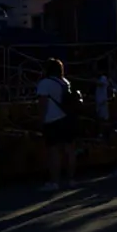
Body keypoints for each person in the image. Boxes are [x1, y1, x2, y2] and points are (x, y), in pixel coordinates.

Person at [36, 58, 78, 191]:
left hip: (52, 120)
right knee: (69, 150)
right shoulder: (65, 82)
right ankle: (71, 179)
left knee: (53, 151)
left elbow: (43, 104)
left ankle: (54, 181)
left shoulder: (45, 83)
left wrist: (40, 120)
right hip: (68, 119)